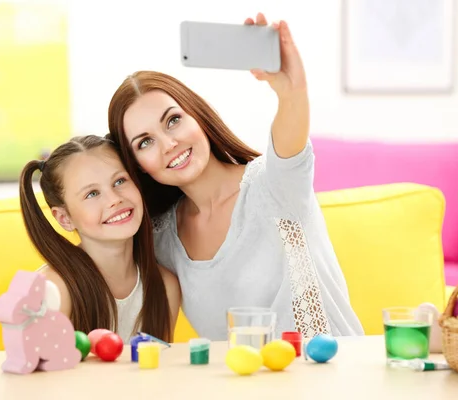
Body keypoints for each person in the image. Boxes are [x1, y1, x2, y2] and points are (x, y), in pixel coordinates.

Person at [107, 13, 364, 340]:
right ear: (137, 164)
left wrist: (291, 91)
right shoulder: (162, 238)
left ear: (196, 116)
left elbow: (289, 147)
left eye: (172, 120)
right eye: (145, 142)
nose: (169, 144)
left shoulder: (273, 186)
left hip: (330, 382)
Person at [19, 134, 181, 343]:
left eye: (120, 181)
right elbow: (39, 373)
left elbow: (157, 370)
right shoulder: (52, 290)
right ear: (65, 218)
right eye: (92, 194)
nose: (115, 199)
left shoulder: (165, 286)